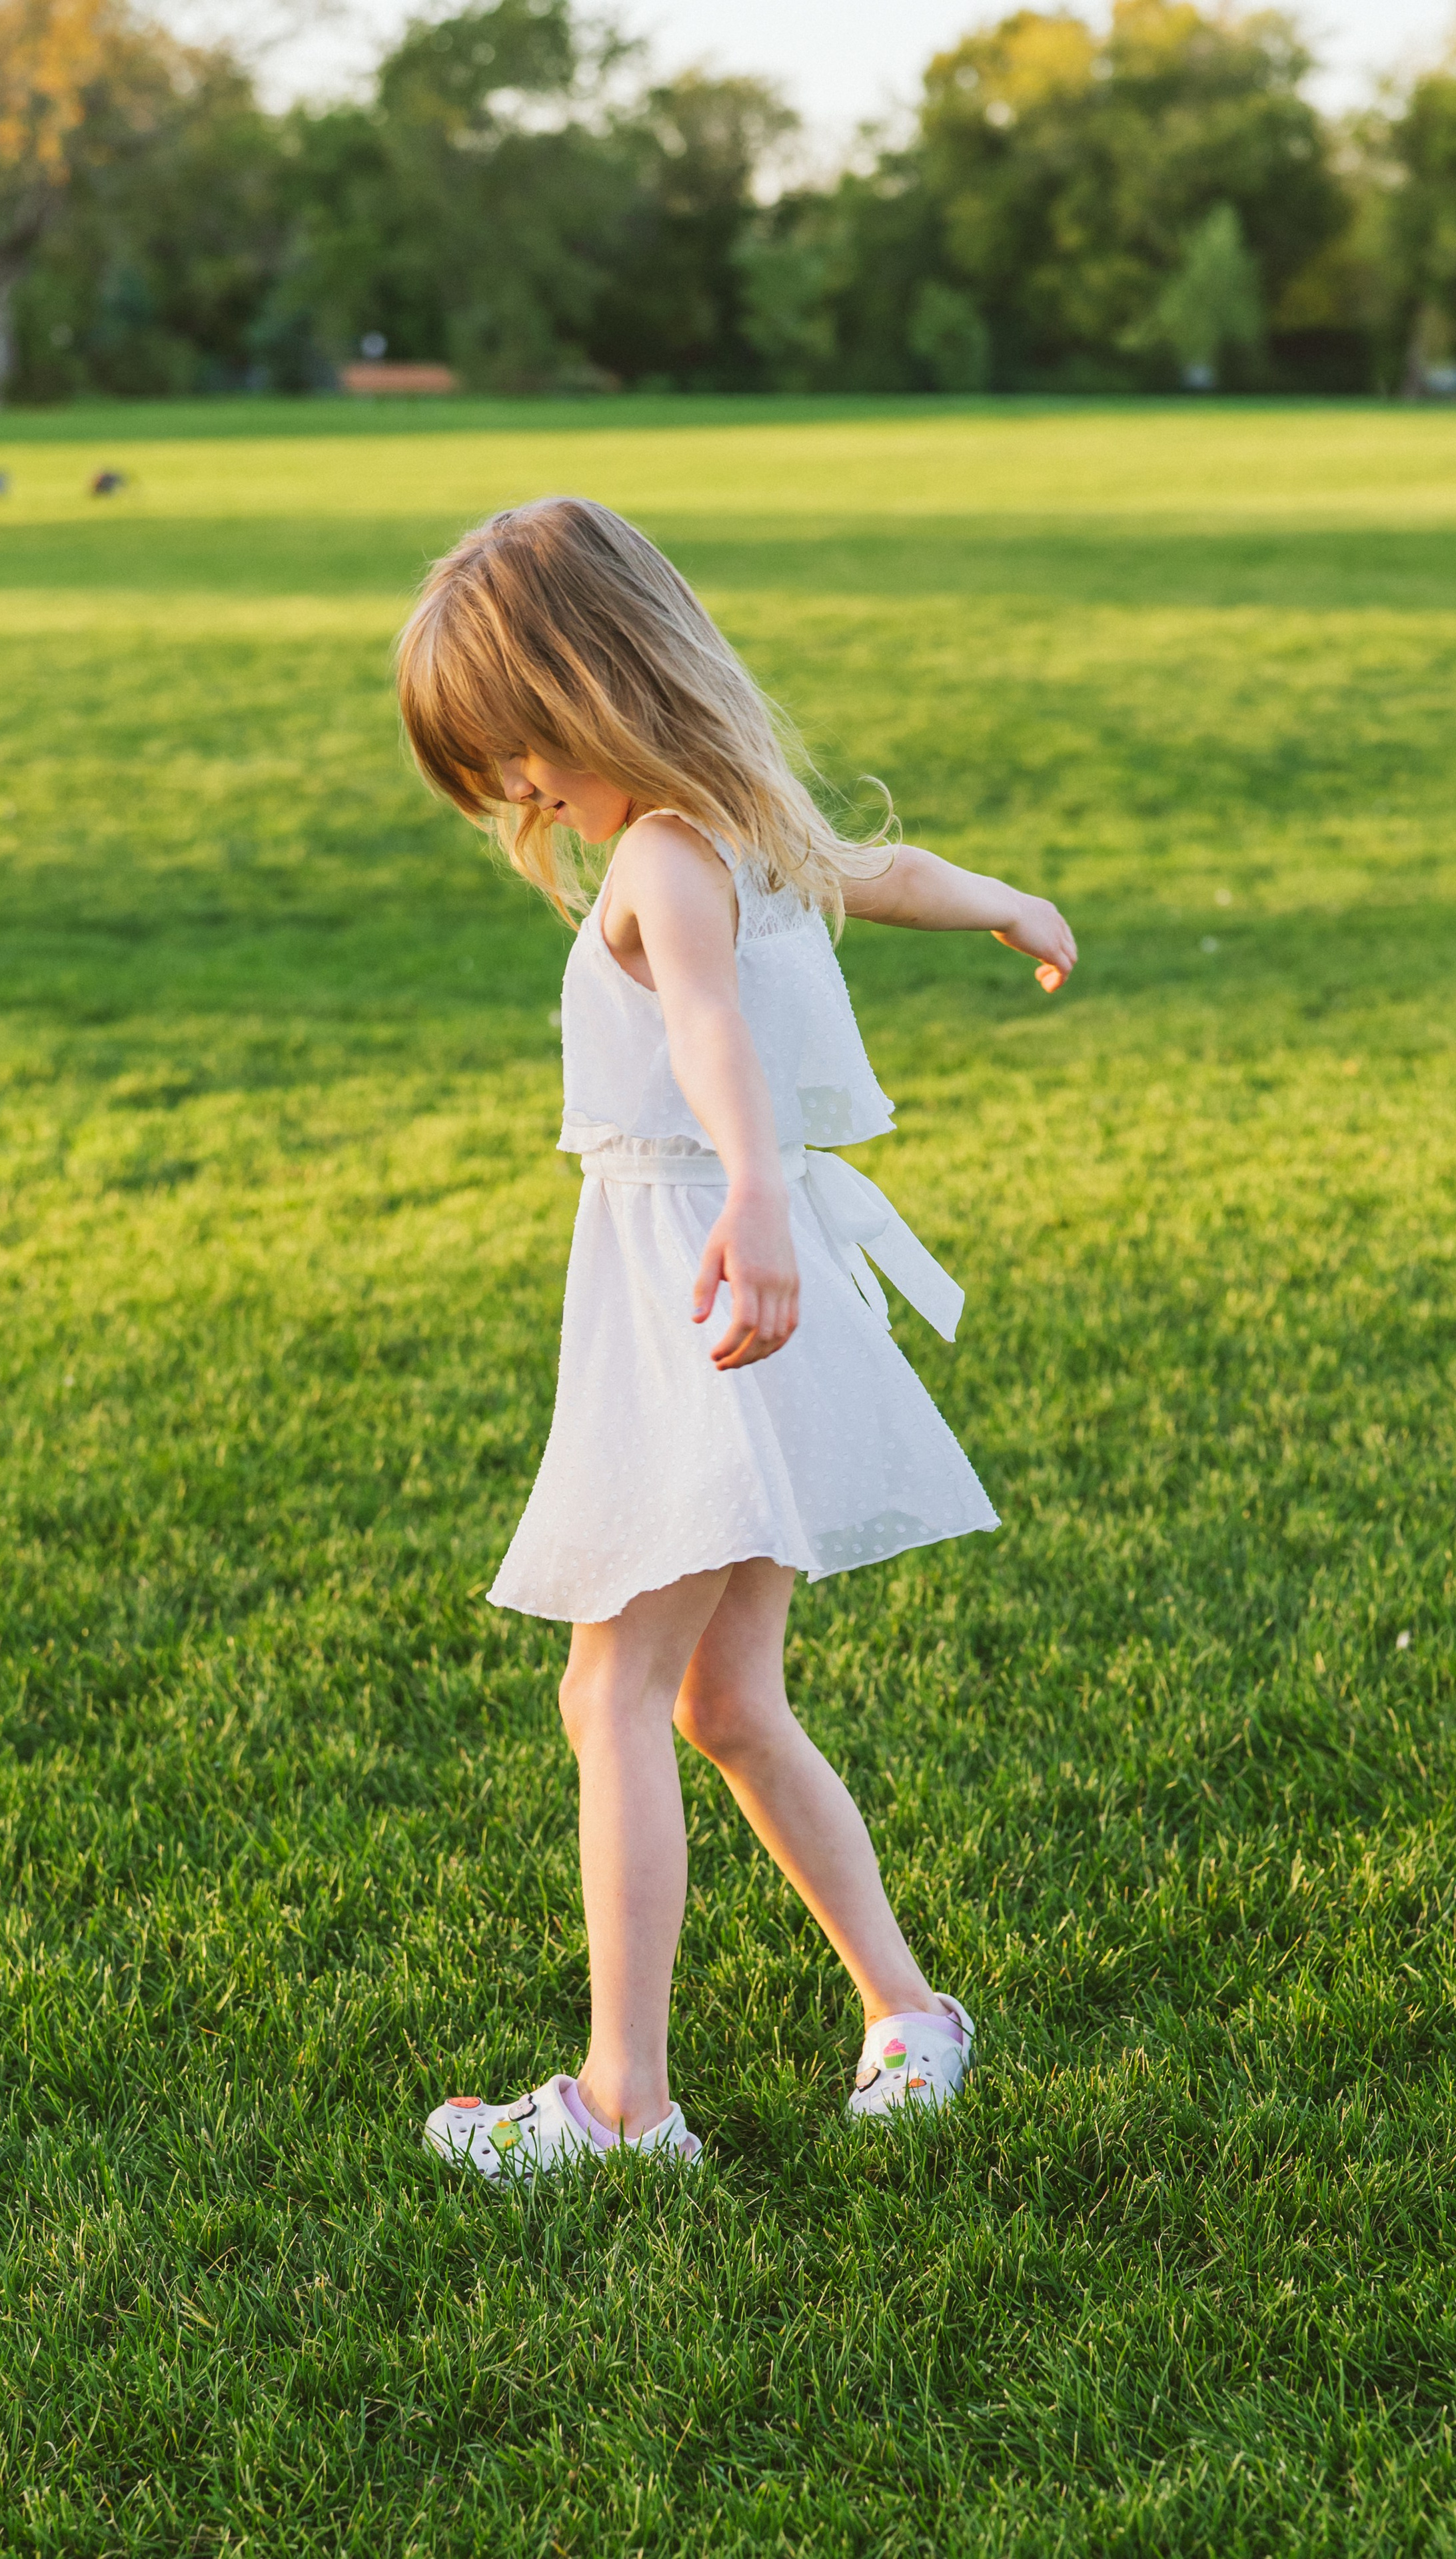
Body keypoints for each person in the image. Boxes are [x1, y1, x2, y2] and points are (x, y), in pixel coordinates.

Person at [396, 497, 1077, 2178]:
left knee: (609, 1687)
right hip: (740, 1291)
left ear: (593, 690)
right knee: (721, 1701)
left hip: (702, 1292)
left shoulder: (661, 855)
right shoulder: (743, 825)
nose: (525, 800)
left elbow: (705, 1029)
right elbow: (884, 872)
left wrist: (756, 1197)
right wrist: (1008, 901)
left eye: (528, 760)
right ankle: (908, 2016)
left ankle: (623, 2106)